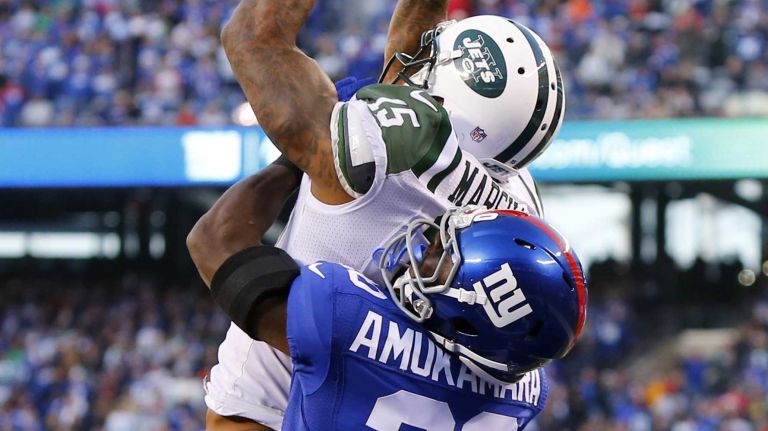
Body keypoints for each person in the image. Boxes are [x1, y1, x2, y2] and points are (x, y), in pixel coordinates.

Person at [200, 0, 565, 428]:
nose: (415, 65)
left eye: (431, 62)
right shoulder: (522, 212)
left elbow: (251, 36)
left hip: (271, 409)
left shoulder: (381, 152)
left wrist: (293, 162)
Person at [187, 161, 587, 430]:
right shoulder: (526, 393)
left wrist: (297, 160)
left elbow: (213, 242)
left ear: (472, 318)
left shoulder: (343, 320)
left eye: (440, 261)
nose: (423, 250)